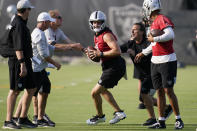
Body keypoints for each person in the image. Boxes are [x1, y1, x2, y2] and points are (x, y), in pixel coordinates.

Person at [135, 0, 184, 129]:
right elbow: (154, 44)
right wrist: (143, 53)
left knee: (169, 91)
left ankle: (178, 120)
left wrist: (154, 38)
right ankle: (161, 121)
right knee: (159, 92)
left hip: (167, 60)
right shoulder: (153, 23)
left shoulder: (161, 18)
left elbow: (170, 34)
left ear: (149, 8)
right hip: (155, 61)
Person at [30, 9, 84, 126]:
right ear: (51, 20)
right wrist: (70, 47)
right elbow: (52, 47)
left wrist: (82, 49)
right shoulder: (46, 31)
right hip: (36, 64)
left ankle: (39, 116)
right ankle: (34, 116)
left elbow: (68, 42)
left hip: (42, 64)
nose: (61, 19)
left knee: (42, 90)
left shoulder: (57, 30)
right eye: (59, 17)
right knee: (34, 91)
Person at [120, 22, 173, 127]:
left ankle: (153, 118)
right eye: (132, 29)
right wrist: (100, 51)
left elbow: (148, 60)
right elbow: (117, 49)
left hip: (153, 72)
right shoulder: (130, 43)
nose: (132, 31)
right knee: (143, 98)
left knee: (144, 94)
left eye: (135, 29)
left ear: (142, 32)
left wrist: (133, 54)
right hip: (144, 74)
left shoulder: (148, 43)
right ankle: (166, 108)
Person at [85, 10, 126, 125]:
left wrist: (100, 54)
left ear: (103, 22)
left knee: (94, 93)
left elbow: (117, 51)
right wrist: (92, 54)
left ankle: (100, 116)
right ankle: (118, 112)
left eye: (99, 22)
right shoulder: (97, 35)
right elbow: (98, 53)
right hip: (110, 66)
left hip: (114, 67)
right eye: (94, 22)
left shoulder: (106, 35)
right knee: (102, 91)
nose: (96, 24)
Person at [3, 0, 37, 129]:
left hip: (25, 60)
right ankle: (8, 121)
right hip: (18, 61)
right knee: (15, 90)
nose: (30, 12)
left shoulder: (22, 23)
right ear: (25, 10)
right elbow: (18, 47)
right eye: (29, 9)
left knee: (31, 88)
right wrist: (22, 64)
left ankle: (22, 118)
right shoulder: (18, 24)